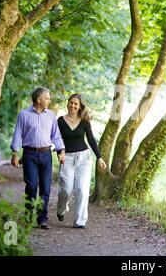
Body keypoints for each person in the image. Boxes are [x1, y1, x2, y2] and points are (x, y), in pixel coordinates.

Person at [10, 87, 66, 229]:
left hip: (46, 154)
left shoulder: (51, 115)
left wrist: (61, 151)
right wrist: (15, 154)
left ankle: (42, 219)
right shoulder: (24, 115)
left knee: (45, 188)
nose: (49, 100)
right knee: (32, 185)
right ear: (39, 100)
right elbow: (18, 134)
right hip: (29, 155)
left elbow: (56, 135)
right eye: (47, 98)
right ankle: (28, 215)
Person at [56, 93, 107, 229]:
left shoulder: (84, 121)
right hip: (66, 158)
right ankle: (61, 210)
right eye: (71, 103)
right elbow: (57, 139)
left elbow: (91, 139)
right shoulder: (60, 121)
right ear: (67, 104)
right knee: (66, 189)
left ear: (79, 107)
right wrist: (59, 153)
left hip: (84, 158)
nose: (72, 105)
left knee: (82, 190)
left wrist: (99, 157)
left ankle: (79, 221)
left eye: (75, 104)